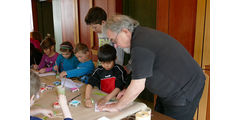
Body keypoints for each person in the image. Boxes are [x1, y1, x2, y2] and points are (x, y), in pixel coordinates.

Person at [100, 15, 206, 120]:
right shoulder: (139, 37)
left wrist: (117, 106)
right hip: (168, 90)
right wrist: (127, 89)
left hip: (185, 89)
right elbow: (138, 70)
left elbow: (138, 85)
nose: (115, 45)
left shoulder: (140, 44)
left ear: (125, 32)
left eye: (114, 40)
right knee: (158, 116)